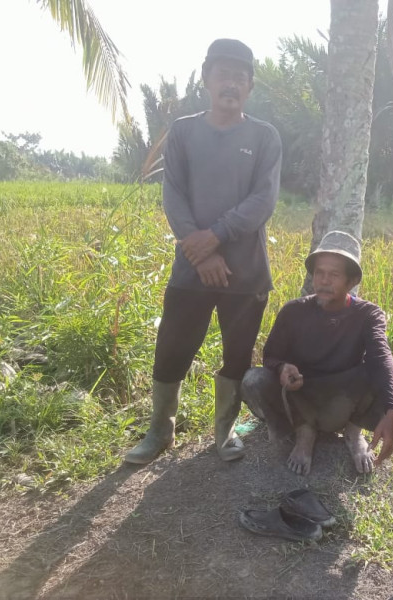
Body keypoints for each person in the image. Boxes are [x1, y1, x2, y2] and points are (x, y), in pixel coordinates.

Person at [124, 38, 282, 465]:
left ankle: (224, 431)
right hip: (192, 268)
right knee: (172, 347)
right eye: (223, 74)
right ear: (206, 79)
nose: (230, 83)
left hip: (246, 273)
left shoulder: (264, 137)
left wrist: (214, 236)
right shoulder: (184, 131)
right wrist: (202, 253)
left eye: (240, 77)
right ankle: (160, 431)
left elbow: (262, 200)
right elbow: (173, 194)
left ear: (250, 86)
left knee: (236, 353)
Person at [241, 231, 393, 476]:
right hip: (301, 394)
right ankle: (304, 432)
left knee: (380, 370)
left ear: (351, 281)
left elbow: (381, 355)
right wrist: (283, 368)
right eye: (319, 273)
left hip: (343, 397)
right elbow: (271, 355)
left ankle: (353, 431)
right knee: (254, 379)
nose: (324, 281)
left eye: (334, 275)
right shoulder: (294, 311)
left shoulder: (368, 314)